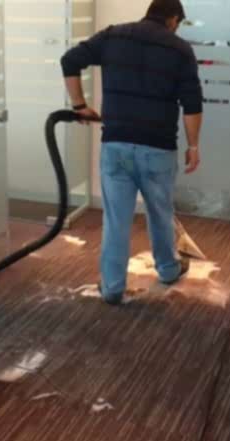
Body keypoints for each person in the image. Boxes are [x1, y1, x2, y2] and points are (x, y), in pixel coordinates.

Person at [60, 0, 203, 305]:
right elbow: (192, 104)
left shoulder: (113, 35)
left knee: (116, 221)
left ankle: (112, 288)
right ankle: (168, 270)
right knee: (160, 214)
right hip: (158, 148)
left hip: (116, 145)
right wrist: (193, 146)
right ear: (173, 19)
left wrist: (79, 106)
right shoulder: (180, 50)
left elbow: (69, 60)